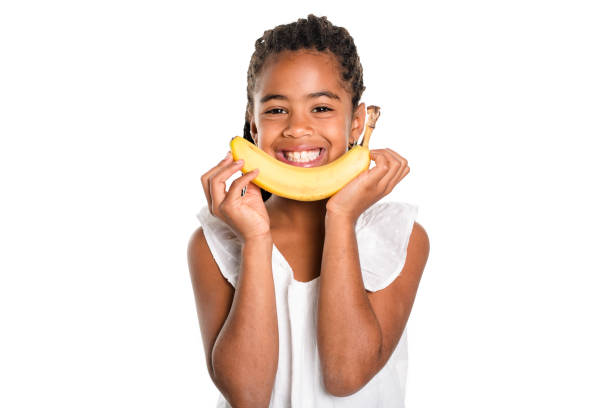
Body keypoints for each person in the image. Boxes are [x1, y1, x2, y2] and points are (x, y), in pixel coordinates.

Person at [187, 14, 430, 407]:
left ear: (356, 124)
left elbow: (345, 375)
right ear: (253, 123)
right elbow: (248, 397)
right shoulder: (215, 242)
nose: (297, 128)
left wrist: (342, 217)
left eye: (320, 108)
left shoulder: (400, 237)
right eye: (276, 110)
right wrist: (255, 239)